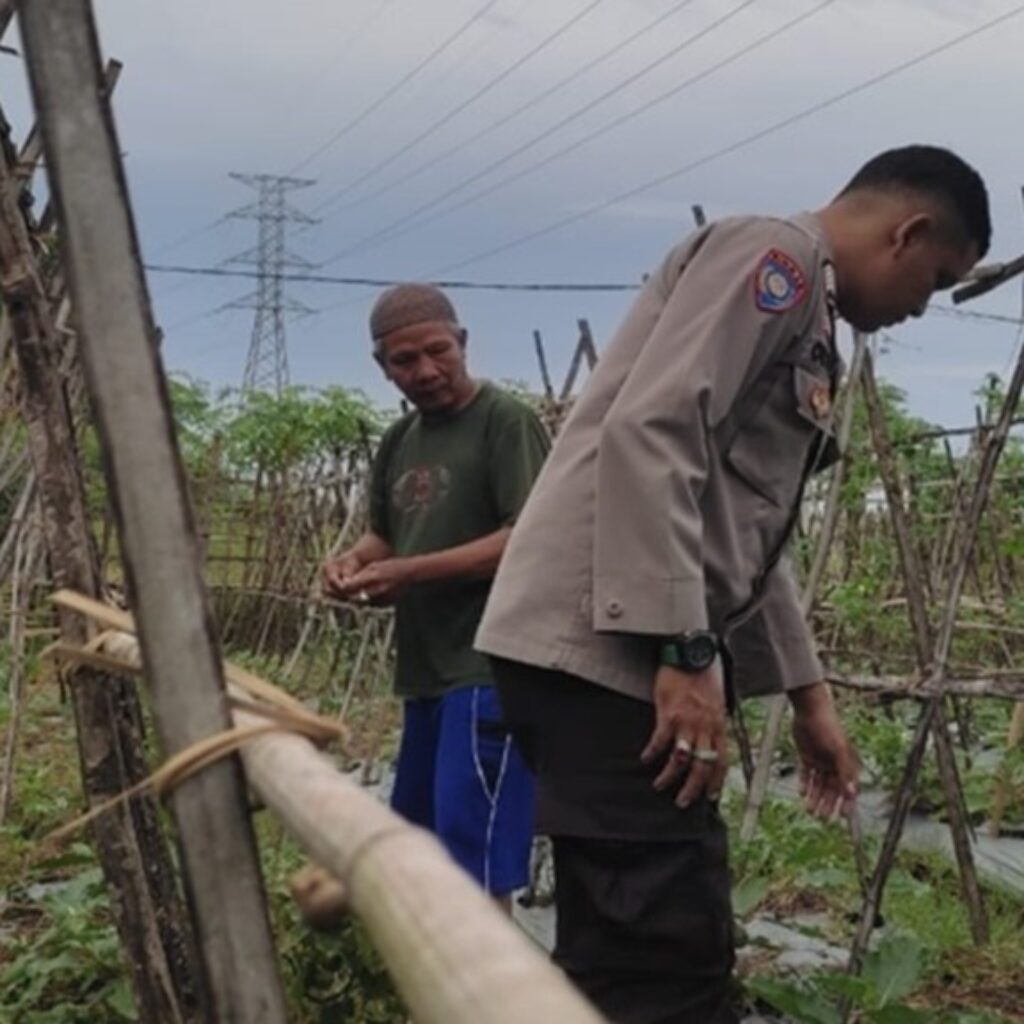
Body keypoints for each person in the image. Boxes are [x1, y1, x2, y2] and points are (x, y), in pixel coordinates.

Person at [475, 145, 991, 1022]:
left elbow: (744, 531)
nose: (920, 308)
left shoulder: (808, 317)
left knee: (642, 937)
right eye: (937, 280)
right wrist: (681, 645)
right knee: (661, 950)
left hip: (609, 646)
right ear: (908, 232)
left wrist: (809, 694)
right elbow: (655, 431)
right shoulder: (775, 262)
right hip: (604, 647)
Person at [322, 283, 550, 907]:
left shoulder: (505, 423)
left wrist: (409, 573)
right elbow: (383, 536)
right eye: (404, 361)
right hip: (425, 672)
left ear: (463, 342)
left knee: (468, 858)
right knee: (420, 847)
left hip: (489, 668)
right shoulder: (401, 441)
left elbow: (526, 543)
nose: (425, 371)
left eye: (437, 351)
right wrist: (350, 565)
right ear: (382, 367)